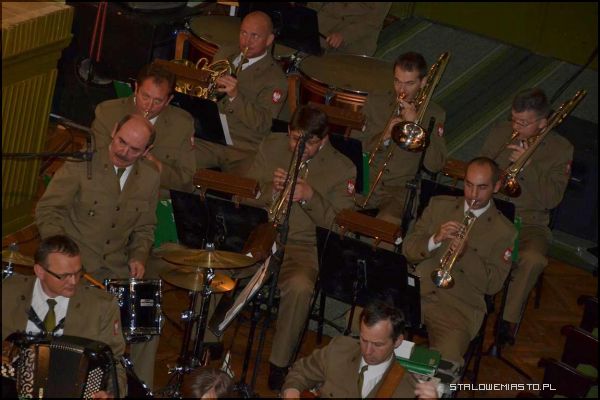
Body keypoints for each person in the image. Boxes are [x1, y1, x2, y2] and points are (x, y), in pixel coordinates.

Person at [35, 114, 160, 389]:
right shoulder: (82, 163)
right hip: (74, 269)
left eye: (134, 149)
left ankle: (134, 389)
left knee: (147, 323)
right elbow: (48, 210)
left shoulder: (150, 177)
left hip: (115, 270)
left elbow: (145, 228)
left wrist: (138, 255)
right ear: (114, 130)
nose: (124, 152)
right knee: (87, 322)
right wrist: (62, 256)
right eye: (121, 142)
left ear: (147, 151)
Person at [244, 104, 357, 391]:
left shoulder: (343, 168)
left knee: (300, 286)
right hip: (264, 233)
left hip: (304, 246)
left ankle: (279, 364)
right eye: (295, 139)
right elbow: (244, 191)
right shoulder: (271, 145)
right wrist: (270, 189)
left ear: (325, 139)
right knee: (222, 261)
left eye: (309, 143)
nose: (300, 147)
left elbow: (341, 226)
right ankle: (209, 341)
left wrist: (309, 196)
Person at [479, 88, 573, 343]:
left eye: (523, 122)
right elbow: (481, 168)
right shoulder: (500, 132)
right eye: (514, 119)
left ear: (543, 123)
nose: (516, 127)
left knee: (533, 258)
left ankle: (507, 320)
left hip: (530, 223)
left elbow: (552, 199)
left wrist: (528, 167)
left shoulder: (561, 149)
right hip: (494, 213)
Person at [402, 157, 517, 365]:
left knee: (444, 362)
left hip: (458, 309)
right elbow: (408, 250)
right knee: (361, 324)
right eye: (469, 185)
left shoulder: (504, 231)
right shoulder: (439, 205)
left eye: (482, 187)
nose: (473, 195)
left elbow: (493, 285)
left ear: (497, 186)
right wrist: (434, 239)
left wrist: (467, 255)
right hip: (417, 292)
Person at [2, 235, 126, 398]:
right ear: (40, 271)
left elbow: (115, 362)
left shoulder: (101, 306)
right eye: (64, 275)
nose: (73, 281)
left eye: (78, 273)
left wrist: (110, 393)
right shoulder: (8, 292)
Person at [352, 52, 448, 226]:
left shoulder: (434, 114)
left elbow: (435, 165)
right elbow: (355, 147)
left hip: (400, 190)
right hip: (366, 180)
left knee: (386, 227)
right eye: (397, 81)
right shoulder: (376, 102)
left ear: (423, 82)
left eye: (409, 83)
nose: (402, 90)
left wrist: (418, 125)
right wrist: (384, 136)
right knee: (334, 211)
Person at [281, 299, 439, 398]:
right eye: (364, 340)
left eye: (377, 344)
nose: (367, 351)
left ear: (397, 341)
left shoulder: (408, 386)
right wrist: (292, 391)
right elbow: (301, 372)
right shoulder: (339, 349)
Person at [195, 10, 288, 173]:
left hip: (243, 148)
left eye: (254, 36)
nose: (247, 41)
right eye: (243, 33)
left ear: (269, 40)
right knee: (177, 159)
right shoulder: (224, 53)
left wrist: (235, 96)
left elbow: (263, 124)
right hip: (210, 138)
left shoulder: (275, 79)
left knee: (247, 186)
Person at [92, 63, 196, 196]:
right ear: (136, 88)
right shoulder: (108, 112)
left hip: (153, 198)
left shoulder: (182, 124)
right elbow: (93, 160)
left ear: (168, 100)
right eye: (145, 97)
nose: (149, 106)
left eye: (157, 101)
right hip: (104, 191)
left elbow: (187, 182)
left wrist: (157, 167)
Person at [308, 2, 392, 56]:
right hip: (323, 27)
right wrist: (307, 15)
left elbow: (373, 21)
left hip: (355, 42)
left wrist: (343, 35)